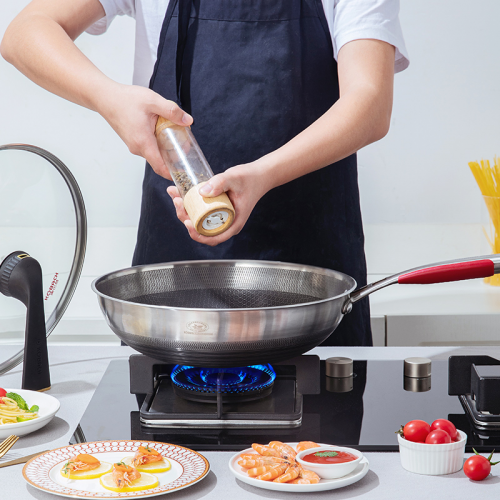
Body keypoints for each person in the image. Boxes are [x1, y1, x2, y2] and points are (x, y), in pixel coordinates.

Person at [1, 0, 408, 347]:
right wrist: (110, 98)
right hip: (176, 278)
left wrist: (263, 175)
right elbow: (25, 32)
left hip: (312, 290)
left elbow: (370, 103)